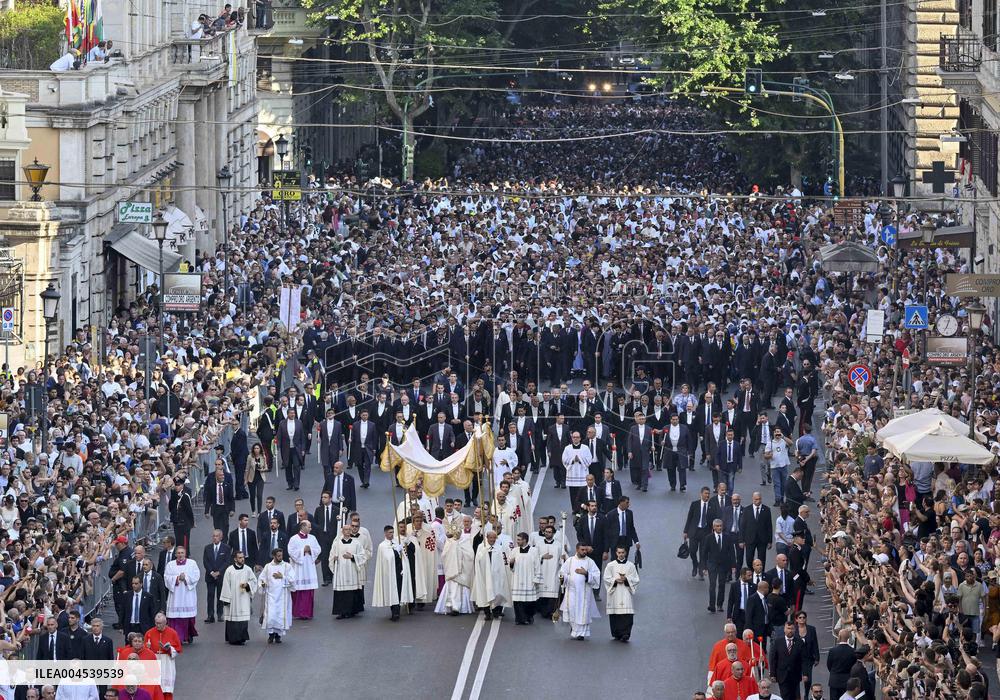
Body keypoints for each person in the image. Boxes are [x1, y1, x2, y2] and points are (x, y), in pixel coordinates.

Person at [558, 542, 601, 639]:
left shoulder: (590, 562)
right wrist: (564, 577)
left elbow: (597, 575)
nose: (585, 552)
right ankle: (574, 629)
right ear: (577, 549)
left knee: (582, 612)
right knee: (572, 610)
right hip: (572, 592)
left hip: (584, 593)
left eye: (586, 550)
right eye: (582, 550)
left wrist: (586, 573)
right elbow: (562, 573)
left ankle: (581, 633)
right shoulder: (570, 561)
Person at [372, 525, 414, 621]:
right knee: (392, 592)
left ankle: (397, 611)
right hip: (390, 572)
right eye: (390, 532)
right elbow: (388, 558)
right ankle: (395, 612)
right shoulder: (382, 546)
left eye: (392, 532)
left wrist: (402, 554)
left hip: (399, 571)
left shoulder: (396, 541)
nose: (391, 534)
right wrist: (395, 551)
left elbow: (403, 555)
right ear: (385, 533)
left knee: (398, 591)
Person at [435, 518, 475, 615]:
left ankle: (459, 607)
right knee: (451, 589)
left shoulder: (465, 541)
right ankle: (451, 606)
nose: (457, 534)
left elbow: (470, 555)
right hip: (451, 570)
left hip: (461, 572)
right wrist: (453, 551)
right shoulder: (449, 542)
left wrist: (460, 552)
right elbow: (444, 555)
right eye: (455, 533)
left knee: (459, 589)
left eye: (458, 532)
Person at [219, 550, 258, 645]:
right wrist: (227, 600)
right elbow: (226, 585)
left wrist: (247, 585)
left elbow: (254, 581)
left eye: (243, 557)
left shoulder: (248, 569)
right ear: (235, 559)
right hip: (233, 599)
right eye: (240, 558)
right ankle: (233, 639)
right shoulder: (229, 570)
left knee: (243, 619)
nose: (242, 559)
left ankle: (242, 638)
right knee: (233, 619)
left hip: (244, 598)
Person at [163, 546, 200, 644]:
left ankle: (188, 635)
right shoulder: (170, 565)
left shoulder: (192, 563)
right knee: (175, 618)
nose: (180, 555)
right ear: (175, 554)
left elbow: (196, 576)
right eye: (178, 553)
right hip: (175, 595)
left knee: (188, 617)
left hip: (188, 595)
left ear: (185, 554)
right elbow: (166, 577)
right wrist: (177, 578)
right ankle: (176, 638)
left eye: (182, 553)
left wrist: (186, 578)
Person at [329, 525, 367, 619]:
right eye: (346, 529)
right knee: (341, 592)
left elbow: (363, 556)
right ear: (342, 531)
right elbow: (331, 556)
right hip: (341, 570)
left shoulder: (356, 543)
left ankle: (351, 611)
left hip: (352, 570)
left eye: (349, 529)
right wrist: (334, 559)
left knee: (351, 591)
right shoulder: (337, 543)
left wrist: (353, 557)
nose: (348, 531)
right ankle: (341, 611)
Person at [258, 547, 294, 643]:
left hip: (283, 596)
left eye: (281, 555)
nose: (280, 557)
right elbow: (262, 578)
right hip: (271, 596)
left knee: (280, 616)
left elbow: (293, 580)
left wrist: (282, 577)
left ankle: (278, 636)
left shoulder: (287, 566)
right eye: (278, 556)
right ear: (273, 556)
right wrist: (263, 584)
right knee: (271, 616)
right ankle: (271, 635)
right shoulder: (268, 567)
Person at [286, 520, 321, 619]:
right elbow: (291, 552)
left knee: (308, 591)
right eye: (309, 527)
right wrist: (302, 551)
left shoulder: (313, 538)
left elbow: (318, 549)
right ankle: (298, 612)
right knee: (298, 591)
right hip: (299, 569)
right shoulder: (294, 539)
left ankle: (307, 613)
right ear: (303, 527)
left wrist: (310, 550)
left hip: (309, 568)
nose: (311, 529)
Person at [604, 545, 639, 642]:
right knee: (615, 613)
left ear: (626, 553)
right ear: (616, 553)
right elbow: (606, 578)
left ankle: (625, 633)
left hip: (626, 592)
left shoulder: (631, 565)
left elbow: (636, 579)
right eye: (619, 553)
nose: (621, 555)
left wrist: (627, 579)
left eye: (623, 552)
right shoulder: (610, 565)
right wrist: (615, 580)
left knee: (626, 613)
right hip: (615, 592)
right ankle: (616, 633)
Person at [143, 614, 181, 700]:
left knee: (167, 690)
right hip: (154, 662)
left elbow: (178, 649)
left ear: (165, 622)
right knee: (153, 688)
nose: (157, 625)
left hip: (167, 662)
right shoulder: (149, 633)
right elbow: (144, 650)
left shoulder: (172, 633)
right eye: (156, 623)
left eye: (160, 623)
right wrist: (147, 648)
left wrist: (168, 649)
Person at [508, 532, 542, 625]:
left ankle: (528, 616)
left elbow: (537, 565)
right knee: (518, 600)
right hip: (518, 579)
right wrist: (511, 563)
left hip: (529, 578)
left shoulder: (534, 551)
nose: (517, 541)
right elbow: (510, 566)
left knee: (529, 601)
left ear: (525, 540)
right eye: (517, 539)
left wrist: (536, 578)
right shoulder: (514, 550)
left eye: (519, 539)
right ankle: (519, 619)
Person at [768, 620, 806, 700]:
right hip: (782, 675)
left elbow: (803, 660)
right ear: (784, 629)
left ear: (795, 630)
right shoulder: (778, 642)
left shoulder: (799, 642)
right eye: (788, 628)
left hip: (795, 675)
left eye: (792, 629)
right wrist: (772, 674)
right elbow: (773, 659)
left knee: (794, 696)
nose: (790, 630)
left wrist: (805, 674)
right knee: (785, 696)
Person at [201, 529, 231, 624]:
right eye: (213, 536)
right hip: (210, 576)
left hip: (221, 576)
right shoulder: (207, 548)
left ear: (221, 537)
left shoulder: (226, 548)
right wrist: (211, 572)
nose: (215, 537)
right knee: (210, 595)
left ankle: (220, 614)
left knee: (220, 596)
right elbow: (205, 561)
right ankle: (210, 615)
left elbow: (227, 562)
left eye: (217, 536)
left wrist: (219, 572)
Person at [702, 518, 731, 613]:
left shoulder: (727, 537)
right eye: (717, 526)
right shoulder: (708, 538)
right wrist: (704, 567)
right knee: (712, 585)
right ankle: (711, 605)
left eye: (721, 526)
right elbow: (704, 553)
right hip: (712, 565)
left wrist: (733, 566)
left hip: (723, 565)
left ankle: (719, 604)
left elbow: (731, 552)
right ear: (713, 527)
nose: (719, 528)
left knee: (722, 585)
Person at [826, 628, 857, 699]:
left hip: (834, 680)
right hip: (847, 681)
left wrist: (834, 672)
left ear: (839, 636)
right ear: (848, 637)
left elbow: (829, 665)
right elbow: (853, 665)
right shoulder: (852, 651)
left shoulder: (832, 651)